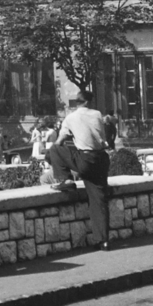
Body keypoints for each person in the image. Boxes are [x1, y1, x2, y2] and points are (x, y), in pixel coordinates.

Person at [48, 91, 112, 250]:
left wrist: (53, 159)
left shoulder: (70, 118)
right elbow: (101, 137)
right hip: (101, 159)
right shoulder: (97, 114)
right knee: (99, 200)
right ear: (89, 102)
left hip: (85, 160)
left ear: (77, 102)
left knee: (54, 150)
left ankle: (66, 179)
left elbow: (59, 142)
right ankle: (103, 241)